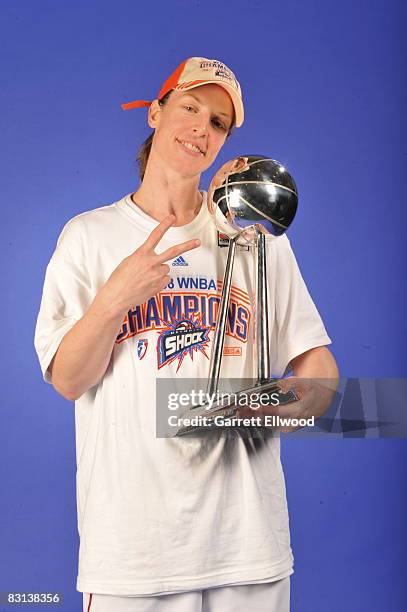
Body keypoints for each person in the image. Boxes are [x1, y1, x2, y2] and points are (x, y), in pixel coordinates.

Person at [34, 57, 339, 612]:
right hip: (133, 551)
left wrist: (254, 412)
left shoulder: (256, 238)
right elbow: (69, 381)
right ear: (156, 113)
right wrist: (112, 301)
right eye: (190, 107)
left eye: (218, 122)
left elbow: (320, 377)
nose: (202, 128)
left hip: (247, 545)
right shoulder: (89, 237)